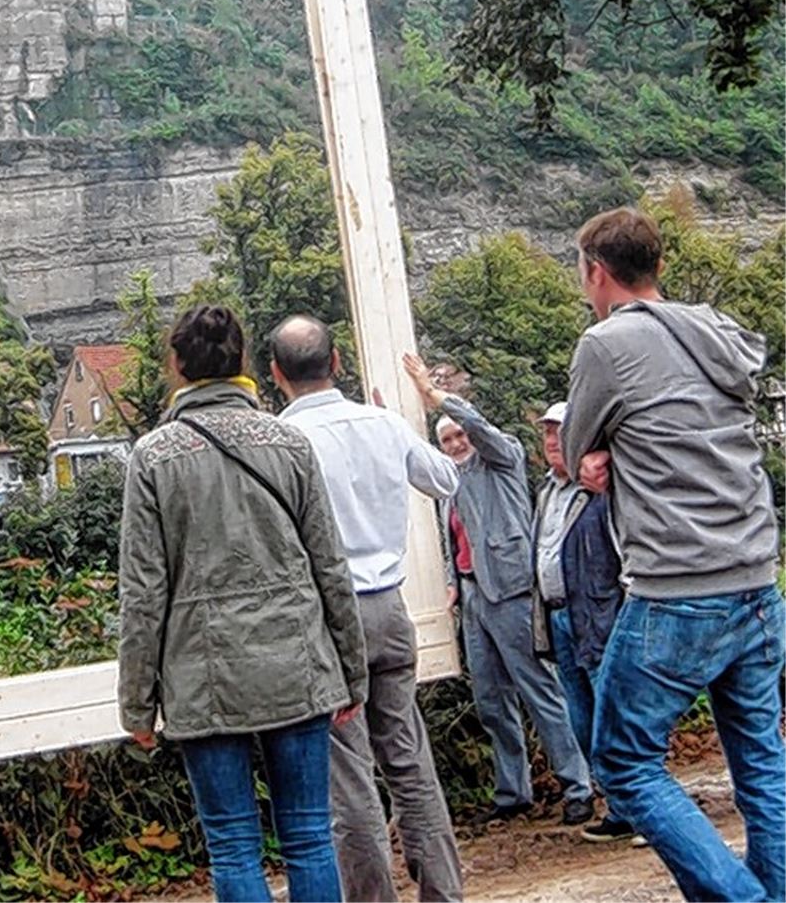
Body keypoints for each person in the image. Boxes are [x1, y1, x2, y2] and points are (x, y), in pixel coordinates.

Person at [564, 206, 783, 902]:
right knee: (761, 762)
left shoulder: (606, 345)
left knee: (625, 761)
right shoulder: (717, 328)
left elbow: (573, 451)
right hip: (756, 575)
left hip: (676, 585)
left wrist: (599, 458)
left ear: (596, 271)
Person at [117, 305, 368, 903]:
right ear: (245, 364)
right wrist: (351, 674)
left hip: (204, 679)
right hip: (298, 665)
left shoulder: (153, 458)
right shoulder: (290, 442)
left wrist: (137, 703)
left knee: (231, 845)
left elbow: (144, 593)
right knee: (308, 835)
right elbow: (329, 566)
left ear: (177, 366)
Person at [272, 315, 463, 903]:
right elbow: (446, 479)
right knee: (408, 758)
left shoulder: (281, 441)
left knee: (350, 775)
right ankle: (443, 890)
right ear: (336, 364)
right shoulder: (382, 424)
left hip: (330, 620)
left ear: (277, 375)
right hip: (390, 607)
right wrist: (397, 427)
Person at [402, 353, 594, 827]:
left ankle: (578, 784)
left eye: (460, 437)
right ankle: (514, 792)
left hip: (510, 591)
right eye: (447, 440)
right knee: (491, 699)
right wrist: (449, 583)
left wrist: (436, 396)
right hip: (473, 597)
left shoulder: (501, 458)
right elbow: (452, 538)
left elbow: (481, 429)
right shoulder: (451, 481)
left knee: (538, 690)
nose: (456, 444)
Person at [529, 402, 632, 843]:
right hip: (559, 618)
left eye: (560, 433)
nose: (553, 442)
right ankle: (616, 805)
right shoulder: (547, 492)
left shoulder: (603, 489)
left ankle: (635, 808)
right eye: (548, 434)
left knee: (614, 714)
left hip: (598, 618)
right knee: (582, 718)